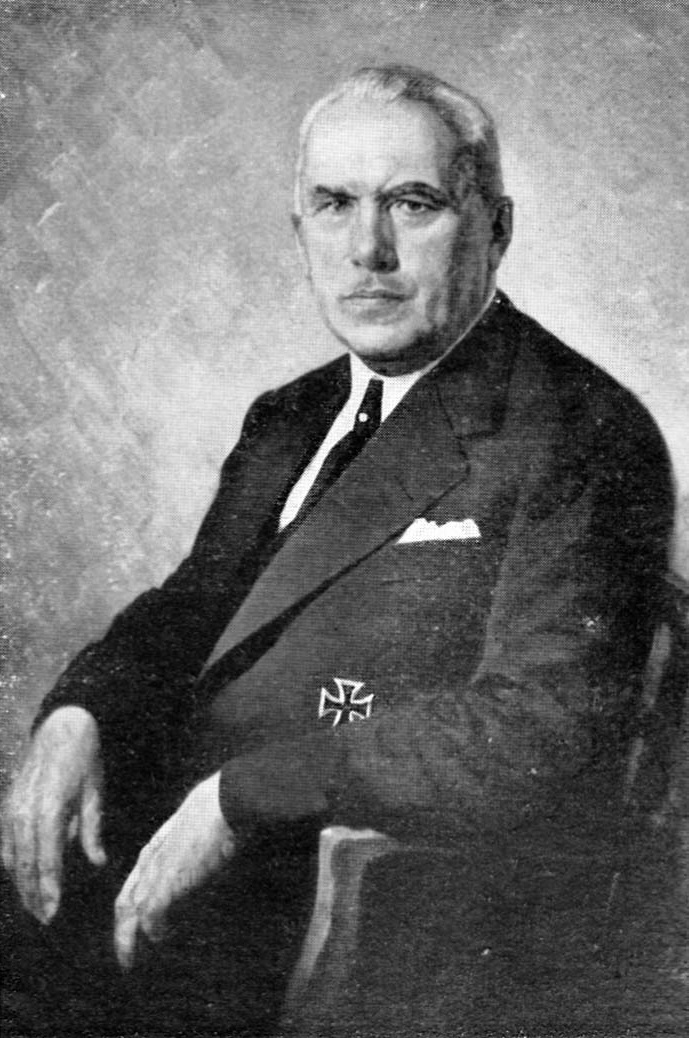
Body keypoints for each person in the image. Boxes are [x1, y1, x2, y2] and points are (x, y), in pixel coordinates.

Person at [2, 65, 674, 1035]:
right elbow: (193, 606)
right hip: (158, 852)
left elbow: (539, 727)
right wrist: (82, 709)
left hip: (358, 914)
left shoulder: (577, 429)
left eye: (412, 204)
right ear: (299, 230)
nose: (368, 249)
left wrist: (241, 798)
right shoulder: (291, 413)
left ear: (495, 227)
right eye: (333, 205)